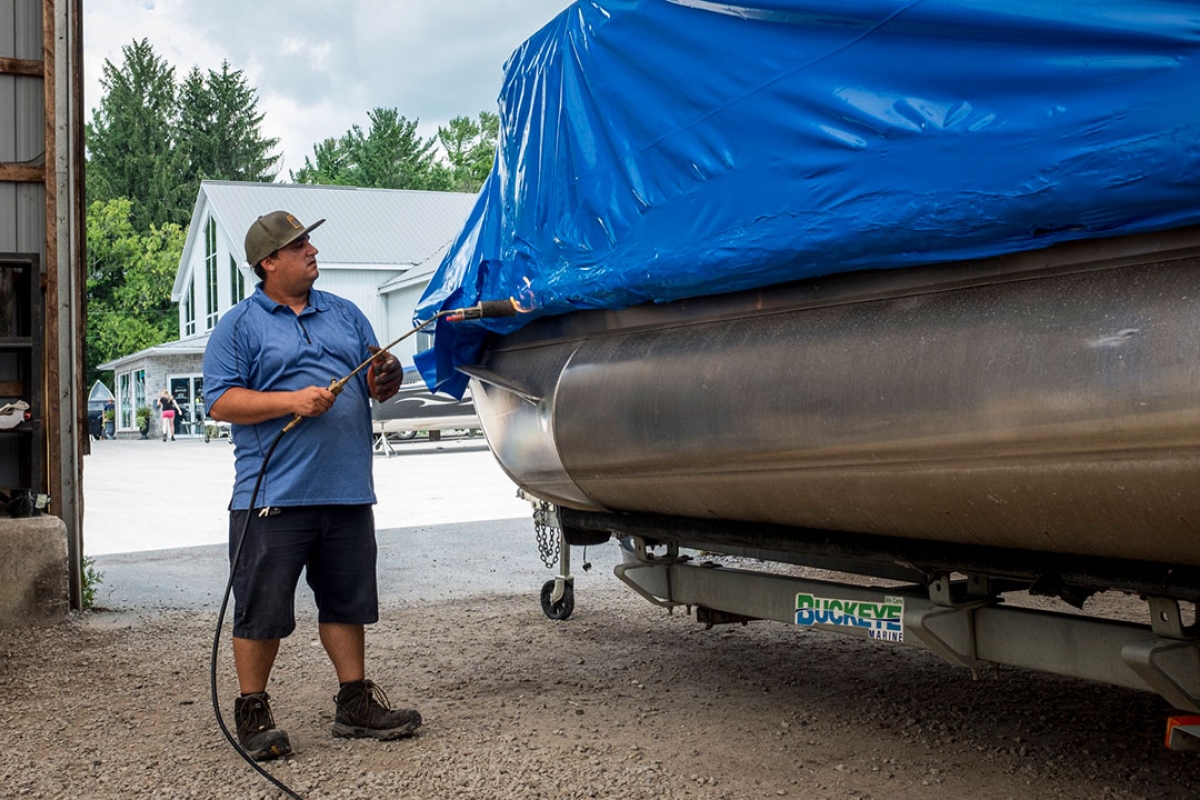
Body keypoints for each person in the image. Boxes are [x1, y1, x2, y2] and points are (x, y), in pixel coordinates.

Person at [202, 210, 414, 762]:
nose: (312, 251)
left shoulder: (344, 314)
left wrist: (383, 377)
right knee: (260, 608)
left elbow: (377, 382)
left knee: (347, 603)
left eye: (309, 242)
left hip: (346, 489)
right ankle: (253, 711)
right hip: (271, 496)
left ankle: (354, 703)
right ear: (269, 262)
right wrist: (292, 401)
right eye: (298, 246)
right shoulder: (240, 326)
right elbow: (221, 401)